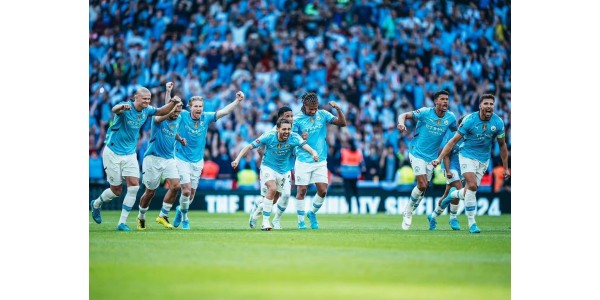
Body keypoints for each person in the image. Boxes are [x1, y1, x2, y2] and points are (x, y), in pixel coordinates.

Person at [89, 83, 181, 231]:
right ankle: (96, 204)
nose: (146, 102)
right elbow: (114, 109)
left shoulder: (147, 110)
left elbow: (161, 110)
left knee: (134, 187)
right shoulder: (126, 107)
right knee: (116, 191)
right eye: (144, 99)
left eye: (149, 99)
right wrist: (121, 108)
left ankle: (122, 223)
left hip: (130, 153)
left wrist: (173, 102)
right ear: (135, 98)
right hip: (112, 151)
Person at [432, 94, 510, 234]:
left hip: (484, 159)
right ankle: (472, 223)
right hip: (466, 156)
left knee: (470, 190)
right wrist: (439, 159)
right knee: (472, 185)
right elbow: (452, 142)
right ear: (480, 105)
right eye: (486, 103)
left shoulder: (498, 123)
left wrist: (505, 167)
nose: (489, 106)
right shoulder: (469, 120)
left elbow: (502, 145)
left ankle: (453, 195)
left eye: (491, 104)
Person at [169, 90, 246, 230]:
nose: (198, 109)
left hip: (197, 160)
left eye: (200, 106)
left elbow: (224, 112)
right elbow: (168, 110)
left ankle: (180, 210)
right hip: (181, 158)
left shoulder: (206, 117)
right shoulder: (183, 115)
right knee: (185, 191)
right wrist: (169, 93)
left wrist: (237, 101)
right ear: (190, 107)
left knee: (191, 194)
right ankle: (185, 218)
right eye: (196, 106)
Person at [232, 118, 318, 230]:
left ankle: (257, 210)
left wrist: (314, 153)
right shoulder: (269, 136)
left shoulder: (294, 137)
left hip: (284, 170)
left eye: (289, 129)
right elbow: (249, 146)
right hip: (268, 167)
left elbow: (307, 147)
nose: (287, 131)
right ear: (277, 129)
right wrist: (237, 159)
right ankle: (265, 222)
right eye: (284, 129)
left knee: (276, 199)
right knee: (271, 189)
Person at [397, 90, 457, 230]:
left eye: (447, 99)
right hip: (416, 152)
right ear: (436, 101)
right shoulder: (424, 112)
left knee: (422, 190)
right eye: (442, 99)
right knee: (422, 184)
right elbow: (404, 115)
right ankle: (408, 211)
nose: (445, 102)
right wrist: (401, 123)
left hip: (432, 158)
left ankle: (409, 208)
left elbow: (456, 133)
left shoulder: (451, 117)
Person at [293, 92, 347, 229]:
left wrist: (338, 109)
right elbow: (291, 139)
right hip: (303, 160)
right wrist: (300, 137)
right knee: (302, 190)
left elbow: (342, 123)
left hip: (320, 160)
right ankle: (301, 222)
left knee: (323, 191)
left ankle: (312, 213)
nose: (313, 111)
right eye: (310, 109)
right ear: (304, 105)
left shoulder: (323, 114)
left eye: (315, 108)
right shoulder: (297, 119)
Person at [136, 98, 185, 230]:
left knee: (176, 186)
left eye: (179, 112)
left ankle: (163, 215)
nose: (176, 114)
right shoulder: (158, 118)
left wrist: (179, 139)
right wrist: (171, 108)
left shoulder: (178, 118)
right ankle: (141, 217)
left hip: (169, 158)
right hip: (153, 158)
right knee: (150, 192)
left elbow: (173, 131)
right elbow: (160, 118)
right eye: (175, 111)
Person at [249, 106, 299, 230]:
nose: (291, 118)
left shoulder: (293, 129)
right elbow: (260, 149)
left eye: (291, 116)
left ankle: (274, 219)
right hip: (270, 167)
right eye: (287, 116)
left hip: (286, 168)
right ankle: (261, 216)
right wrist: (263, 163)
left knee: (285, 195)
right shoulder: (273, 132)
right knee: (271, 196)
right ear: (280, 118)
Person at [427, 117, 465, 231]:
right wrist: (448, 171)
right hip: (450, 166)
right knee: (459, 189)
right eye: (463, 124)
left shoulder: (470, 137)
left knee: (447, 195)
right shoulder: (453, 136)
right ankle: (453, 218)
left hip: (462, 169)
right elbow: (446, 155)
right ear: (459, 125)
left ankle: (433, 216)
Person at [339, 139, 364, 210]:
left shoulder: (344, 151)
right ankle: (359, 207)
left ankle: (350, 208)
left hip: (346, 175)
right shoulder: (358, 152)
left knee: (348, 192)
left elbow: (339, 160)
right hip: (355, 175)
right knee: (355, 192)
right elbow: (362, 164)